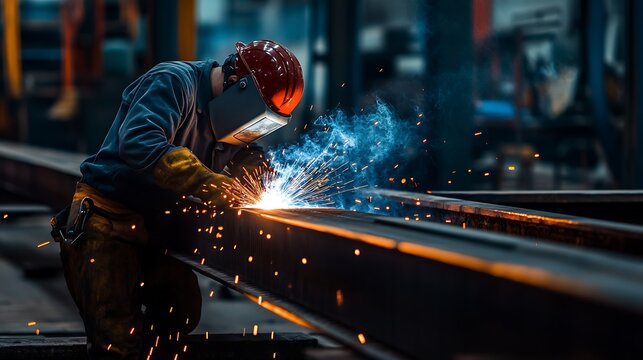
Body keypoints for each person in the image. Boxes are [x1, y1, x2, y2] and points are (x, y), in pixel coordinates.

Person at [51, 40, 304, 359]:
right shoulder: (173, 81)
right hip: (107, 218)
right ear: (237, 87)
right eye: (258, 118)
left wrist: (259, 182)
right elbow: (141, 143)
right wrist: (212, 185)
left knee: (179, 313)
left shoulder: (231, 119)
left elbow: (249, 156)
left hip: (158, 226)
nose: (254, 131)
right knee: (116, 338)